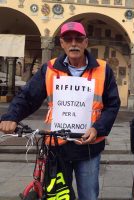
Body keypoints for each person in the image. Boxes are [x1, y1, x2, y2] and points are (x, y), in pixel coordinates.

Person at [0, 22, 120, 200]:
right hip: (56, 146)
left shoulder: (103, 69)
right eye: (68, 39)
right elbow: (28, 96)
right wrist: (11, 117)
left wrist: (98, 128)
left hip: (88, 146)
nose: (74, 43)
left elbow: (112, 105)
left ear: (86, 42)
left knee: (89, 196)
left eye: (78, 39)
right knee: (57, 196)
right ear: (61, 43)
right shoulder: (49, 68)